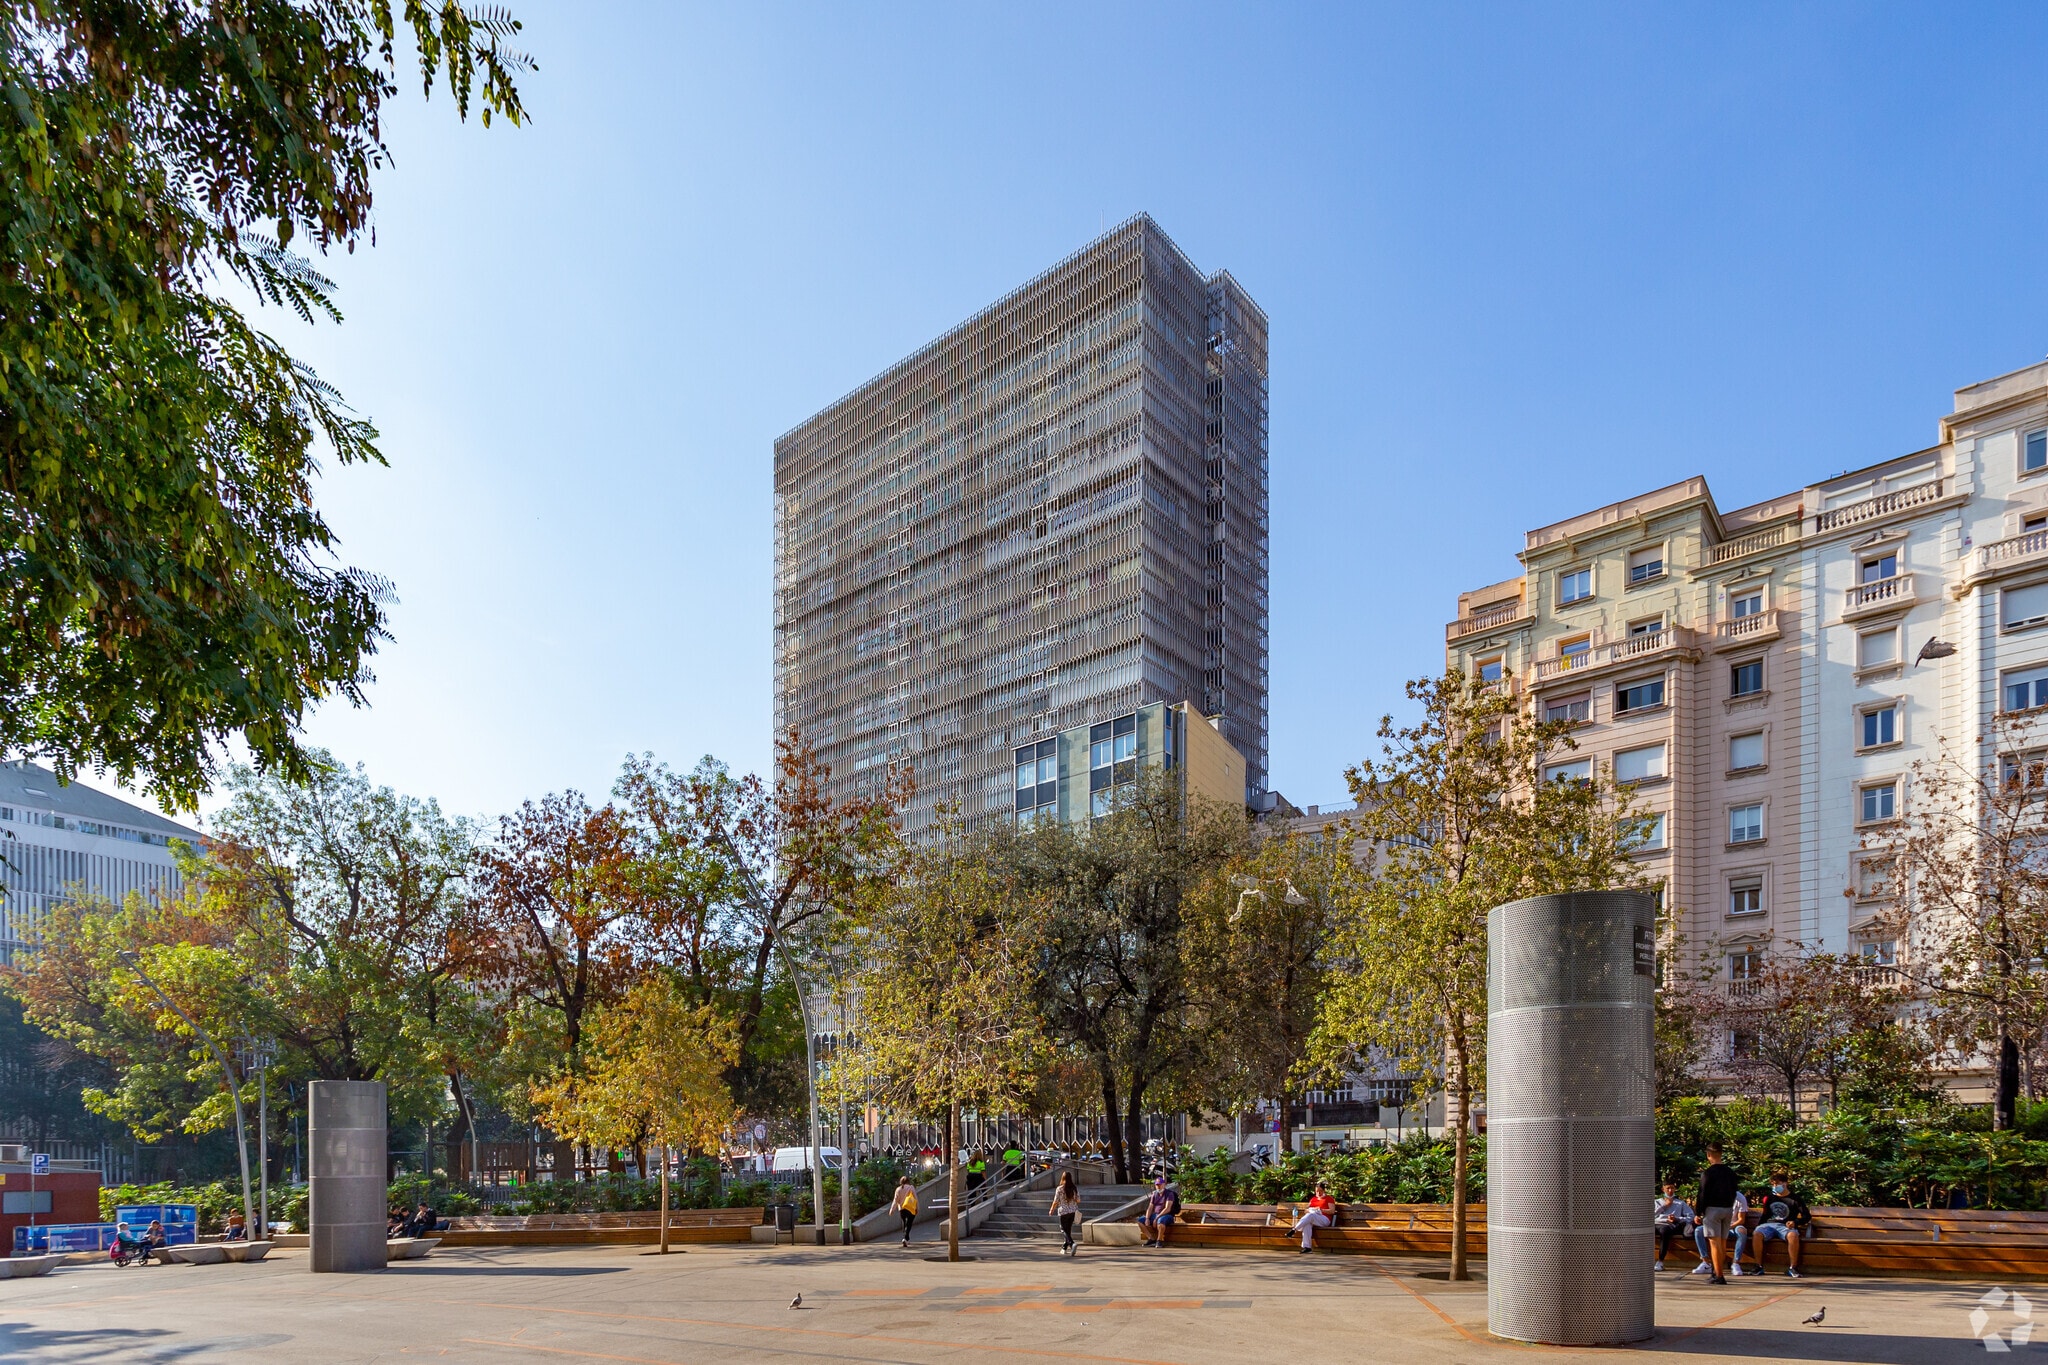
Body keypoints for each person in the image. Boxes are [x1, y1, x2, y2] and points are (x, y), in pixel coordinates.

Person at [1694, 1142, 1740, 1284]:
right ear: (1721, 1154)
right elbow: (1734, 1191)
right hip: (1727, 1209)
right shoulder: (1730, 1173)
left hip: (1712, 1209)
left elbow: (1702, 1193)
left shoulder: (1708, 1173)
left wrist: (1698, 1212)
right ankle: (1718, 1270)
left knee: (1714, 1243)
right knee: (1723, 1242)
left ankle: (1718, 1275)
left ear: (1708, 1155)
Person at [1752, 1170, 1811, 1278]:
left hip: (1785, 1226)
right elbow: (1765, 1215)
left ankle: (1793, 1267)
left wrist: (1795, 1222)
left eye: (1777, 1184)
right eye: (1773, 1184)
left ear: (1785, 1183)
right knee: (1757, 1234)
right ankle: (1758, 1266)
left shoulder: (1795, 1199)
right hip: (1769, 1224)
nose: (1775, 1186)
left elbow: (1806, 1216)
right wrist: (1759, 1226)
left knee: (1793, 1235)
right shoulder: (1770, 1198)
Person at [1652, 1179, 1695, 1270]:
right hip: (1656, 1223)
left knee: (1665, 1230)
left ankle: (1660, 1261)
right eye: (1668, 1188)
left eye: (1672, 1188)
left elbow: (1690, 1216)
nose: (1670, 1191)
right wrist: (1665, 1206)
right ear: (1663, 1189)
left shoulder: (1680, 1203)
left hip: (1669, 1225)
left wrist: (1676, 1219)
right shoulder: (1657, 1202)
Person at [1293, 1181, 1338, 1253]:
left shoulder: (1329, 1198)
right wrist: (1310, 1210)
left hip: (1324, 1219)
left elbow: (1332, 1211)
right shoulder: (1313, 1199)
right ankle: (1307, 1247)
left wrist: (1320, 1210)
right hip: (1313, 1218)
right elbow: (1306, 1210)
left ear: (1324, 1190)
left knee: (1310, 1216)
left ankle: (1295, 1229)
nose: (1318, 1193)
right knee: (1307, 1224)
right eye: (1317, 1191)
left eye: (1320, 1191)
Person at [1138, 1175, 1181, 1248]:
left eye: (1160, 1185)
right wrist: (1147, 1218)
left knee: (1160, 1221)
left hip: (1167, 1215)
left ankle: (1159, 1240)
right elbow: (1150, 1207)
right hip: (1156, 1214)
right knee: (1140, 1221)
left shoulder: (1169, 1194)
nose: (1158, 1187)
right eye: (1157, 1185)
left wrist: (1157, 1218)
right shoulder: (1154, 1194)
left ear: (1164, 1185)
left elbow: (1168, 1208)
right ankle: (1151, 1239)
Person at [1049, 1170, 1083, 1257]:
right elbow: (1078, 1200)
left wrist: (1051, 1209)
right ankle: (1064, 1247)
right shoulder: (1074, 1188)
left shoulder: (1059, 1189)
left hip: (1063, 1211)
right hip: (1072, 1211)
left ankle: (1072, 1244)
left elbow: (1055, 1201)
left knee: (1063, 1229)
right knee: (1068, 1230)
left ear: (1062, 1178)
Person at [891, 1174, 919, 1247]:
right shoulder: (911, 1187)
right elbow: (915, 1198)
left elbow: (895, 1200)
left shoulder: (898, 1189)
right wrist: (917, 1208)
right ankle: (905, 1238)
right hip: (910, 1208)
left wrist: (892, 1210)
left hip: (902, 1209)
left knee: (904, 1222)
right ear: (908, 1181)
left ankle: (906, 1238)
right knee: (909, 1223)